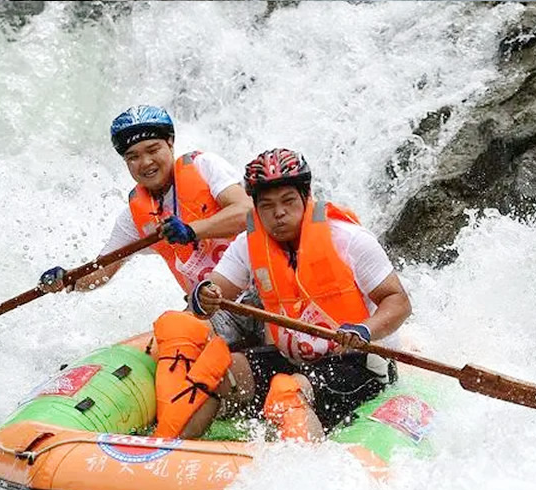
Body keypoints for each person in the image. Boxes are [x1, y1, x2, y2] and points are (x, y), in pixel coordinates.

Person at [151, 148, 412, 441]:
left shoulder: (349, 239)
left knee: (287, 394)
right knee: (218, 368)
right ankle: (167, 449)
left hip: (357, 364)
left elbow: (398, 301)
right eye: (267, 205)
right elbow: (217, 285)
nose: (278, 213)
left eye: (288, 201)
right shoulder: (249, 244)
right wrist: (205, 294)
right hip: (294, 359)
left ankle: (299, 471)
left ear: (305, 196)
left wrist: (366, 329)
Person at [37, 106, 255, 338]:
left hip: (258, 293)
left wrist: (191, 231)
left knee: (175, 334)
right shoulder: (133, 218)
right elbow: (101, 271)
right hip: (209, 308)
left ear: (170, 143)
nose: (146, 162)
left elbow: (247, 212)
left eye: (153, 149)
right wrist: (67, 278)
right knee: (165, 335)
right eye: (133, 157)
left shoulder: (204, 167)